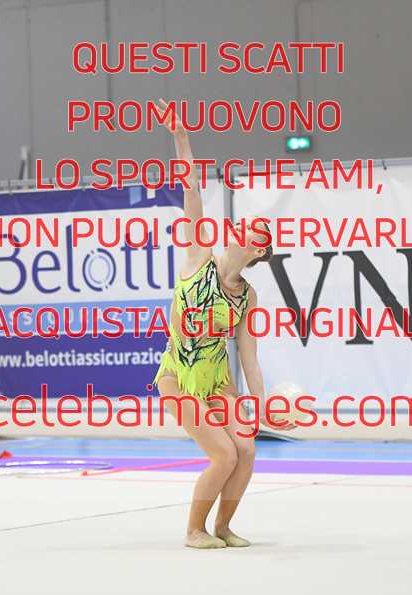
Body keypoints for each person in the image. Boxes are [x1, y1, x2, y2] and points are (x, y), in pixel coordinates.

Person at [153, 99, 296, 549]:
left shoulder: (247, 296)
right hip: (179, 376)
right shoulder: (199, 256)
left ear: (258, 250)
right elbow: (191, 190)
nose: (242, 228)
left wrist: (263, 407)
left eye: (254, 231)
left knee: (247, 449)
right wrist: (181, 137)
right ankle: (193, 530)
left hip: (218, 382)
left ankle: (223, 526)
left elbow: (249, 360)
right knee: (223, 454)